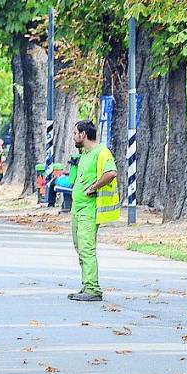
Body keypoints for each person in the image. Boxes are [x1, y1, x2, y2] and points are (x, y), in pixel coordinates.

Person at [69, 121, 119, 302]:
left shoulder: (101, 152)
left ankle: (93, 288)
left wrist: (94, 187)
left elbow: (111, 172)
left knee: (86, 247)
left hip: (89, 210)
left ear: (83, 134)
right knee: (79, 247)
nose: (73, 137)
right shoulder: (84, 155)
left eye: (75, 133)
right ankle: (86, 284)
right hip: (77, 208)